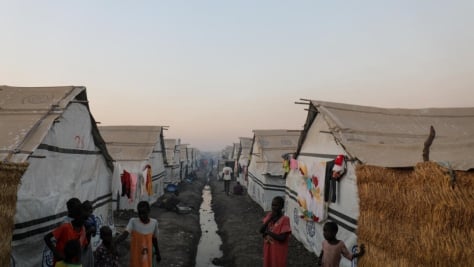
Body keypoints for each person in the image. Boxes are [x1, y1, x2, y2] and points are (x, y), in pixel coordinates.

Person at [116, 201, 161, 267]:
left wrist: (158, 253)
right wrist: (116, 242)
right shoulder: (133, 221)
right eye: (139, 213)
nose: (141, 216)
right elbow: (125, 234)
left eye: (144, 213)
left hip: (147, 256)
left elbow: (154, 239)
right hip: (136, 256)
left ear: (149, 211)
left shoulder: (154, 223)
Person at [44, 202, 88, 266]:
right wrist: (56, 252)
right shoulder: (66, 227)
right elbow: (47, 238)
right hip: (60, 263)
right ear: (76, 216)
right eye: (83, 218)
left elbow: (82, 247)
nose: (85, 221)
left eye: (86, 218)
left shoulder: (83, 230)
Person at [259, 196, 291, 267]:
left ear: (281, 206)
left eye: (276, 205)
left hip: (278, 251)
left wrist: (268, 232)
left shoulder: (285, 219)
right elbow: (261, 230)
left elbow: (282, 238)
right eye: (272, 205)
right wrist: (269, 219)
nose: (273, 207)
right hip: (268, 249)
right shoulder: (270, 215)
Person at [81, 201, 97, 267]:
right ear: (83, 210)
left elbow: (94, 230)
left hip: (88, 244)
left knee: (89, 261)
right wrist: (89, 231)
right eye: (89, 209)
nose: (91, 210)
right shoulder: (81, 220)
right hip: (81, 244)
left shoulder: (92, 217)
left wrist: (93, 230)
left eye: (91, 208)